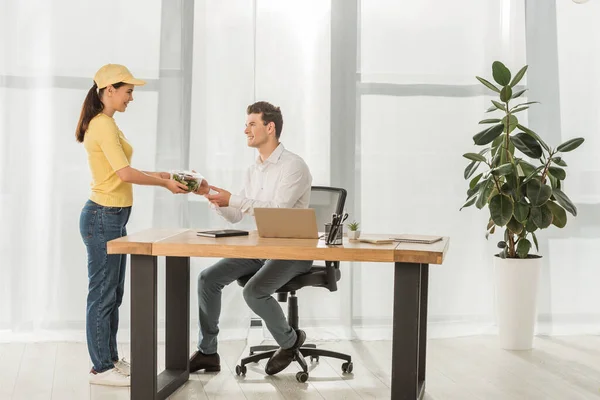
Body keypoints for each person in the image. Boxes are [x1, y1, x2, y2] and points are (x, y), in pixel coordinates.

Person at [77, 64, 208, 386]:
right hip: (103, 216)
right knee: (103, 294)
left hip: (111, 217)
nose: (132, 97)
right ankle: (101, 369)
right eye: (129, 91)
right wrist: (163, 185)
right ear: (110, 90)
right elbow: (124, 175)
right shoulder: (103, 125)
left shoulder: (107, 123)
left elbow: (123, 170)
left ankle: (108, 359)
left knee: (113, 292)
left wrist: (163, 175)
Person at [189, 101, 313, 376]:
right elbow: (237, 215)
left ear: (270, 128)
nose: (245, 130)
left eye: (251, 124)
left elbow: (277, 210)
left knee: (253, 291)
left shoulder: (294, 166)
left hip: (291, 251)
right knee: (207, 279)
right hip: (261, 246)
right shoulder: (253, 169)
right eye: (246, 124)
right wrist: (216, 197)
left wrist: (234, 199)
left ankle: (290, 342)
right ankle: (208, 353)